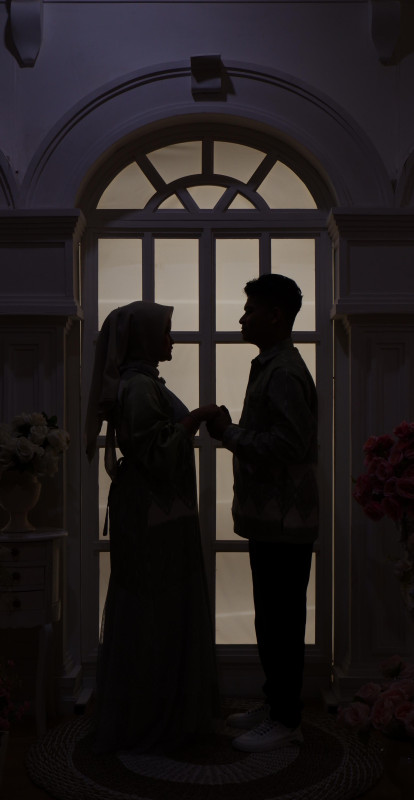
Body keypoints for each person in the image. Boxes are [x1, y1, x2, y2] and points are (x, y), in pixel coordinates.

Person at [85, 300, 220, 754]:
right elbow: (158, 454)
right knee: (158, 608)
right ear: (143, 339)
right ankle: (156, 719)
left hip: (151, 511)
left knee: (151, 606)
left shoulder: (139, 382)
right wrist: (196, 418)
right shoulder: (140, 386)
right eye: (165, 332)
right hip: (154, 515)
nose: (172, 340)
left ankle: (149, 714)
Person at [208, 274, 318, 753]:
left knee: (282, 622)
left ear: (275, 316)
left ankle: (287, 719)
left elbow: (290, 446)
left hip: (285, 523)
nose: (242, 317)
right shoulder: (273, 366)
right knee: (273, 619)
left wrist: (229, 433)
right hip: (274, 521)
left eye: (250, 309)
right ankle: (276, 706)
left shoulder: (284, 371)